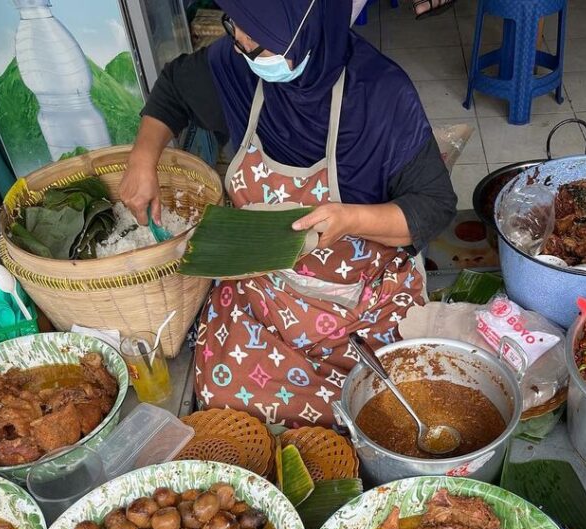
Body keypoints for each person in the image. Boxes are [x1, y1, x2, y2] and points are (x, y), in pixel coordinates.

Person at [120, 0, 456, 427]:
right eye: (235, 26)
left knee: (389, 404)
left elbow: (433, 205)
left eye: (256, 38)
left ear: (308, 28)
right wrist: (143, 158)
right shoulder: (238, 63)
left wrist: (351, 220)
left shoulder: (381, 93)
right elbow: (173, 89)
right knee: (223, 396)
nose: (240, 41)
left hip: (362, 299)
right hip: (264, 291)